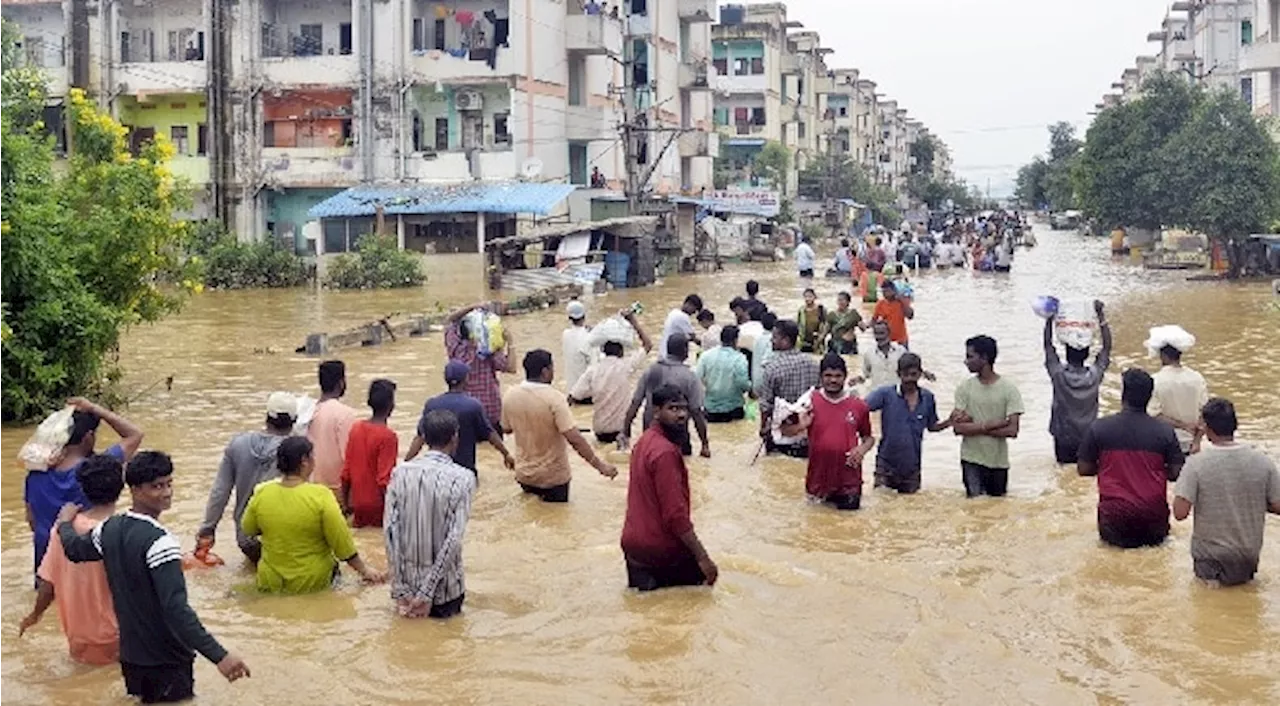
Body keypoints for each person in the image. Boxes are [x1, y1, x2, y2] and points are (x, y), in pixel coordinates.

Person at [57, 452, 250, 703]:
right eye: (156, 486)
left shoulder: (109, 528)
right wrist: (220, 656)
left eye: (169, 483)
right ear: (135, 490)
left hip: (131, 658)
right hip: (166, 659)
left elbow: (74, 549)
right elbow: (176, 610)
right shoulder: (161, 542)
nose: (166, 492)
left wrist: (64, 523)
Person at [241, 437, 386, 593]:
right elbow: (342, 544)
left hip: (271, 581)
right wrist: (365, 571)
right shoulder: (320, 496)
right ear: (304, 461)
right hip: (312, 582)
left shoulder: (262, 492)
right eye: (312, 456)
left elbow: (248, 528)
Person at [26, 398, 144, 579]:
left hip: (45, 559)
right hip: (81, 557)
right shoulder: (95, 470)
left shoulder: (35, 474)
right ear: (88, 437)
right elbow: (135, 434)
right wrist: (95, 408)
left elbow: (32, 521)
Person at [21, 454, 122, 665]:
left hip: (78, 634)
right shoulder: (124, 530)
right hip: (118, 634)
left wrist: (35, 615)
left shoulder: (62, 530)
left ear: (83, 489)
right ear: (121, 487)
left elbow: (48, 585)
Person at [621, 385, 719, 591]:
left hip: (633, 544)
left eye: (684, 409)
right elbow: (675, 514)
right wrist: (702, 556)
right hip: (660, 547)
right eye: (673, 409)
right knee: (700, 603)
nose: (682, 415)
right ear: (656, 411)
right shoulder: (665, 452)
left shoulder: (644, 442)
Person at [1173, 398, 1280, 586]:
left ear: (1207, 428)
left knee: (1208, 609)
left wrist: (1196, 442)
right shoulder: (1262, 462)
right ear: (1235, 425)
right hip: (1247, 555)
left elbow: (1179, 513)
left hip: (1209, 559)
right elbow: (1277, 505)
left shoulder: (1197, 464)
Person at [384, 410, 477, 618]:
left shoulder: (400, 473)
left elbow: (390, 531)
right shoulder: (464, 478)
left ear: (423, 438)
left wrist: (401, 588)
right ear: (455, 438)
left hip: (406, 592)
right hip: (446, 592)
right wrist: (427, 592)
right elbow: (453, 540)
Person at [1078, 369, 1184, 549]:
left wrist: (1108, 466)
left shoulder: (1099, 428)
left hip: (1114, 518)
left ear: (1123, 395)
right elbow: (1176, 473)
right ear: (1149, 397)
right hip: (1153, 518)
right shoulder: (1165, 432)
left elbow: (1084, 469)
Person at [501, 349, 618, 502]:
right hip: (553, 478)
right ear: (545, 371)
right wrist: (600, 466)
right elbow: (574, 438)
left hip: (524, 474)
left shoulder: (510, 395)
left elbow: (506, 429)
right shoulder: (554, 398)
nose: (553, 373)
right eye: (552, 369)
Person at [197, 392, 296, 564]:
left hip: (245, 539)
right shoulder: (295, 451)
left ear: (267, 417)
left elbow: (220, 492)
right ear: (294, 421)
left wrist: (207, 529)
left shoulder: (238, 444)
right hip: (280, 540)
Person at [865, 353, 955, 494]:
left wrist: (950, 422)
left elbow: (932, 426)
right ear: (898, 374)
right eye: (905, 374)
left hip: (911, 469)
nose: (909, 379)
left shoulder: (927, 398)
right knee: (881, 507)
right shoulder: (885, 394)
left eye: (913, 374)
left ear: (920, 374)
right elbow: (861, 409)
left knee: (910, 509)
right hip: (886, 466)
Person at [406, 361, 515, 477]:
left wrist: (405, 462)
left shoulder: (431, 405)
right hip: (465, 472)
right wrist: (506, 454)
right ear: (466, 379)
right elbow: (490, 435)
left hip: (436, 472)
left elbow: (419, 438)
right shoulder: (473, 405)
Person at [797, 355, 874, 510]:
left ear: (845, 377)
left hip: (849, 482)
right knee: (815, 530)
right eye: (828, 376)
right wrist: (801, 426)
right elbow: (784, 431)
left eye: (838, 376)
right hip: (818, 481)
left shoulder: (859, 405)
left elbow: (869, 438)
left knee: (849, 528)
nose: (833, 380)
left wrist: (861, 450)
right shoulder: (809, 401)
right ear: (820, 377)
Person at [952, 335, 1024, 498]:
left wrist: (975, 427)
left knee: (995, 511)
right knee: (975, 506)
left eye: (970, 356)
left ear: (984, 358)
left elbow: (1012, 430)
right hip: (971, 459)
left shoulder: (1009, 389)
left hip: (998, 461)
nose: (966, 361)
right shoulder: (964, 388)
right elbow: (957, 428)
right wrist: (991, 425)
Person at [569, 309, 655, 444]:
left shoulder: (593, 370)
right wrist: (633, 322)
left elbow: (572, 397)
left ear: (603, 350)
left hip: (599, 431)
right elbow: (648, 345)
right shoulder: (626, 366)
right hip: (621, 432)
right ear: (621, 350)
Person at [1045, 300, 1112, 464]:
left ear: (1066, 354)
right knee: (1086, 475)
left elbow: (1047, 345)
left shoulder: (1059, 375)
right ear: (1087, 354)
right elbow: (1107, 348)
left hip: (1063, 437)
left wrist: (1049, 319)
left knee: (1063, 474)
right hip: (1089, 436)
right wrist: (1101, 316)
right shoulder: (1094, 376)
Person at [621, 334, 710, 458]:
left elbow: (635, 403)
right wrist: (704, 444)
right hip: (677, 435)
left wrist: (626, 432)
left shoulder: (650, 371)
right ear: (685, 351)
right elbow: (696, 412)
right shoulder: (690, 377)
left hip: (650, 433)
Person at [445, 302, 517, 431]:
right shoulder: (489, 350)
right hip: (490, 409)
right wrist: (510, 342)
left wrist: (472, 306)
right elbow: (511, 368)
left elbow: (450, 320)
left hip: (463, 411)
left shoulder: (455, 349)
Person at [757, 320, 821, 458]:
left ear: (785, 340)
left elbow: (766, 406)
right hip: (807, 433)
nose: (771, 340)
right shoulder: (814, 364)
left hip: (781, 433)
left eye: (775, 337)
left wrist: (763, 428)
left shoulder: (772, 368)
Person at [340, 379, 400, 528]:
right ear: (391, 405)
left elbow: (346, 473)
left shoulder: (356, 428)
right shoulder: (388, 437)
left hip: (357, 504)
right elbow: (383, 481)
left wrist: (345, 504)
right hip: (378, 507)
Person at [306, 360, 358, 498]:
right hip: (336, 493)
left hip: (309, 489)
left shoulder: (307, 411)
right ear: (341, 383)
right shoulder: (345, 414)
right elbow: (350, 460)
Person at [1150, 341, 1209, 454]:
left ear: (1163, 356)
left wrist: (1183, 426)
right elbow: (1205, 413)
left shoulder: (1155, 380)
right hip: (1192, 444)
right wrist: (1197, 441)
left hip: (1165, 444)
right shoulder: (1197, 378)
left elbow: (1155, 415)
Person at [695, 326, 752, 423]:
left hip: (710, 409)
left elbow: (697, 379)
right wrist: (751, 389)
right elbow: (742, 383)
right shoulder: (740, 359)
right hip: (734, 409)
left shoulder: (705, 356)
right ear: (736, 340)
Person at [857, 320, 908, 391]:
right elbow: (865, 374)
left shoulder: (901, 351)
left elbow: (911, 369)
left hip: (897, 394)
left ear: (889, 333)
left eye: (882, 333)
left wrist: (925, 374)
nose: (879, 337)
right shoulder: (869, 353)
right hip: (877, 394)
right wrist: (857, 379)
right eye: (876, 333)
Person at [561, 300, 593, 392]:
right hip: (587, 393)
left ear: (569, 318)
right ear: (584, 316)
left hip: (571, 390)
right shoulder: (589, 337)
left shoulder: (565, 334)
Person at [660, 294, 702, 362]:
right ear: (689, 304)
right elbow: (694, 338)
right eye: (695, 309)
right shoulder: (683, 317)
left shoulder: (673, 312)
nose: (694, 313)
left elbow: (687, 337)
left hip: (663, 352)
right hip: (671, 357)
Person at [872, 279, 914, 348]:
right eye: (883, 291)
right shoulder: (880, 304)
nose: (885, 294)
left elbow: (910, 316)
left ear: (893, 290)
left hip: (901, 340)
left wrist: (901, 299)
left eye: (887, 291)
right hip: (887, 341)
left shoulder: (901, 303)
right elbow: (873, 320)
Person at [825, 291, 865, 355]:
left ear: (848, 302)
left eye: (843, 300)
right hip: (835, 345)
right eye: (839, 300)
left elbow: (863, 328)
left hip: (849, 345)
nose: (840, 302)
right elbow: (825, 331)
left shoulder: (853, 314)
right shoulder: (831, 315)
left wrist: (862, 325)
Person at [796, 288, 828, 354]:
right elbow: (798, 324)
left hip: (817, 341)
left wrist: (821, 337)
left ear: (815, 297)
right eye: (806, 297)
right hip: (804, 341)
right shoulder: (801, 310)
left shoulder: (820, 309)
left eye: (810, 296)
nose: (807, 299)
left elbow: (826, 325)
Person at [752, 311, 778, 389]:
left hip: (755, 380)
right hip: (766, 382)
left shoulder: (757, 338)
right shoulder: (773, 340)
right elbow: (766, 362)